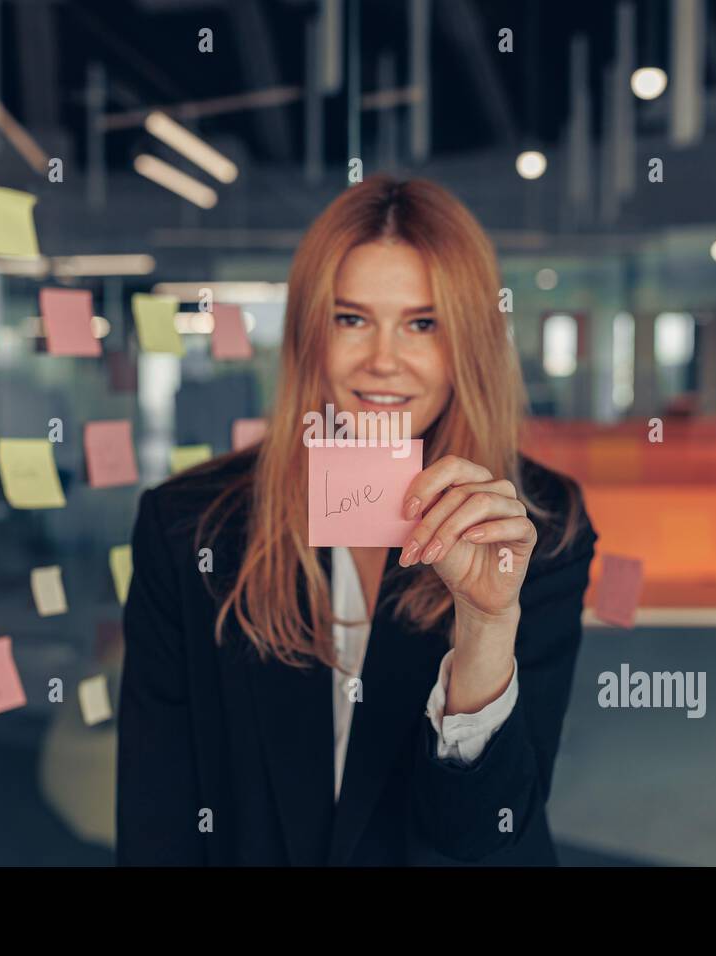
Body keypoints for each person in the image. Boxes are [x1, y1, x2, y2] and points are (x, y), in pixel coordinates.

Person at [116, 176, 597, 866]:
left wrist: (486, 626)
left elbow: (487, 835)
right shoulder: (188, 525)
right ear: (311, 332)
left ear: (471, 341)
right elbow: (157, 812)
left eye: (423, 324)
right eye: (352, 318)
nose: (383, 360)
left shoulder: (537, 528)